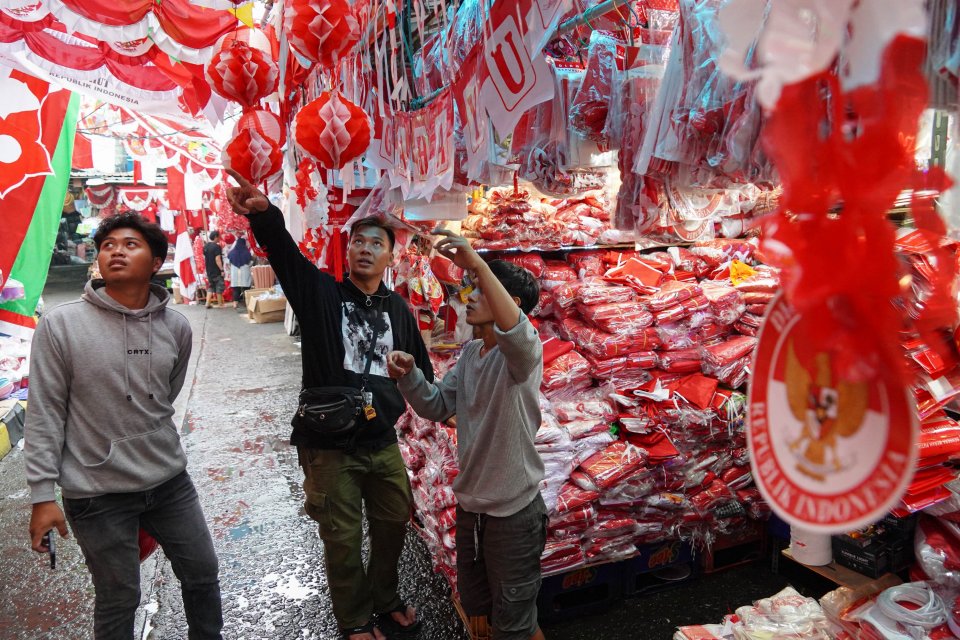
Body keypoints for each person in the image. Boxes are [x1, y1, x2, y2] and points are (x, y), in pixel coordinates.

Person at [225, 169, 433, 640]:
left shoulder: (398, 309)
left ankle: (387, 599)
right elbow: (285, 257)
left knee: (391, 525)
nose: (364, 248)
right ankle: (355, 619)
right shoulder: (321, 295)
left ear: (389, 257)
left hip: (381, 443)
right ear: (348, 250)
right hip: (328, 446)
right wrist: (266, 217)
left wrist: (410, 374)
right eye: (358, 241)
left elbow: (422, 375)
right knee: (340, 538)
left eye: (375, 243)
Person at [24, 212, 223, 639]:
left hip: (168, 480)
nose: (116, 250)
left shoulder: (176, 327)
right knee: (118, 596)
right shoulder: (62, 325)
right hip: (97, 492)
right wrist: (43, 495)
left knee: (203, 574)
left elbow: (163, 396)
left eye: (130, 244)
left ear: (155, 263)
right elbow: (44, 412)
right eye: (108, 244)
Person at [387, 231, 546, 640]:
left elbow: (519, 336)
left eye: (479, 289)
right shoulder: (473, 355)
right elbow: (437, 405)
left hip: (513, 513)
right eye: (470, 286)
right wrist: (410, 378)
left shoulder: (524, 356)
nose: (469, 295)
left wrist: (477, 263)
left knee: (514, 620)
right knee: (481, 610)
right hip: (472, 509)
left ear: (514, 308)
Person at [226, 235, 254, 310]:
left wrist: (232, 267)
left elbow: (228, 262)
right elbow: (251, 262)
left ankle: (235, 303)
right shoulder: (247, 253)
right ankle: (247, 303)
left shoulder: (231, 253)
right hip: (245, 271)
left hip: (235, 272)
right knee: (246, 288)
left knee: (236, 288)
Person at [203, 230, 225, 309]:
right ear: (215, 237)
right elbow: (217, 259)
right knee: (219, 286)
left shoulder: (206, 246)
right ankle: (220, 304)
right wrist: (222, 270)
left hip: (209, 270)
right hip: (216, 270)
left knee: (211, 286)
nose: (219, 238)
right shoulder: (216, 247)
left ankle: (207, 303)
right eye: (219, 236)